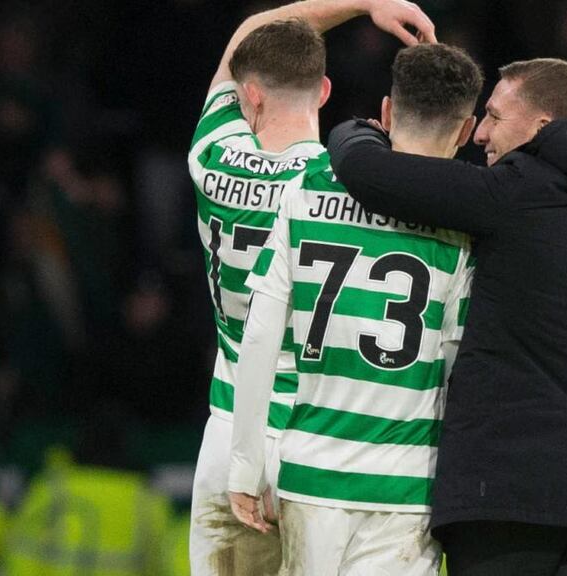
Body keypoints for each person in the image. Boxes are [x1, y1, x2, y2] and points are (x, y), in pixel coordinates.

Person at [328, 57, 567, 575]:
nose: (480, 133)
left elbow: (369, 174)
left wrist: (355, 131)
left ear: (542, 128)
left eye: (495, 116)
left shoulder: (516, 191)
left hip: (511, 494)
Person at [187, 1, 436, 574]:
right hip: (312, 443)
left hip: (228, 433)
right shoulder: (340, 187)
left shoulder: (211, 154)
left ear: (250, 96)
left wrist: (363, 4)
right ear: (324, 92)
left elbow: (247, 34)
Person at [227, 42, 481, 576]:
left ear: (386, 112)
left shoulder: (308, 188)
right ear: (466, 131)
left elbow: (260, 334)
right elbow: (459, 366)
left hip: (311, 470)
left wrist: (245, 467)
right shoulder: (462, 225)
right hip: (406, 484)